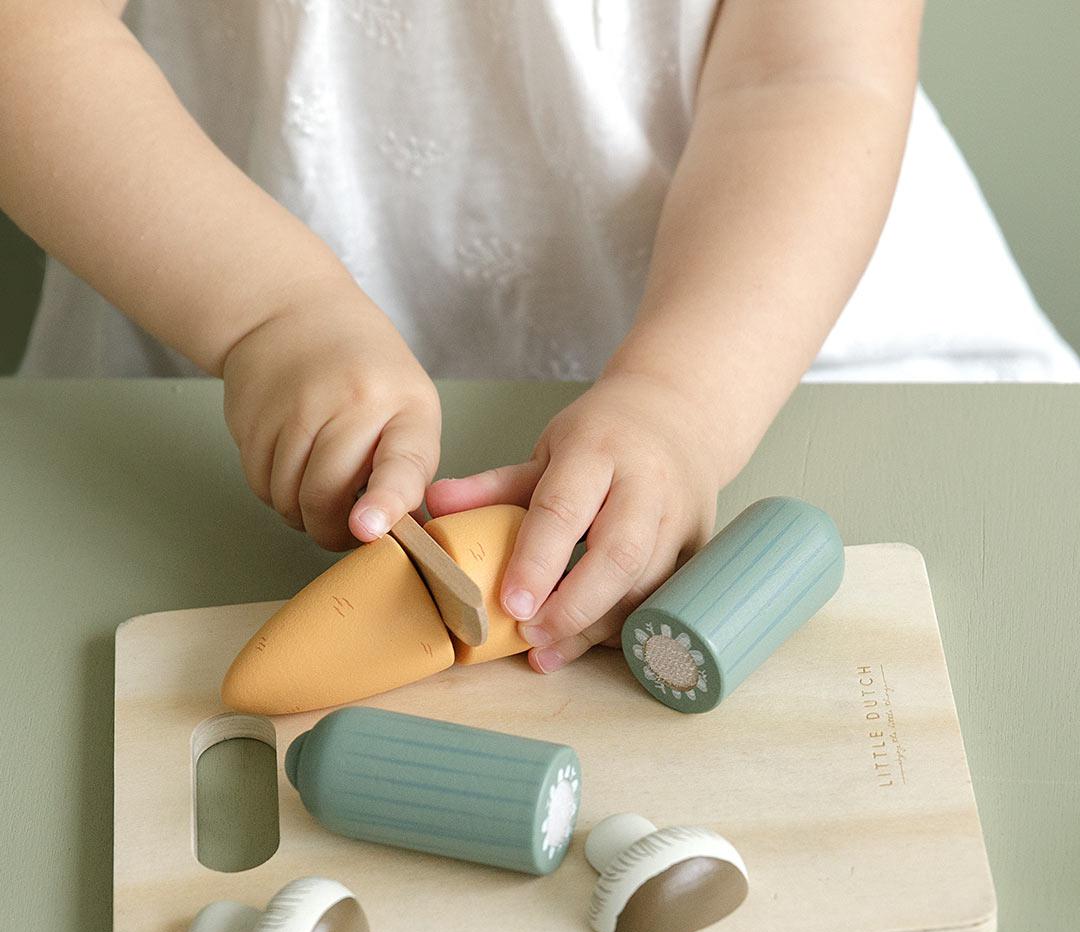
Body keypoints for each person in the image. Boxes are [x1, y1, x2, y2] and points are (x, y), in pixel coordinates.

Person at [3, 1, 1077, 676]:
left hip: (766, 333)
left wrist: (685, 401)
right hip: (212, 319)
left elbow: (811, 74)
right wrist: (268, 313)